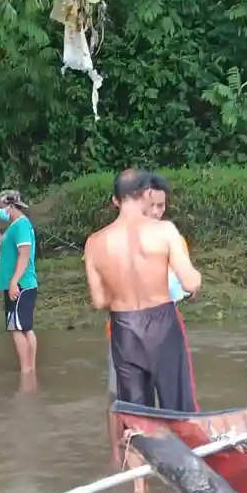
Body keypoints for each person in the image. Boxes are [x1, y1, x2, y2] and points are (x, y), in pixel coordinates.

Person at [85, 170, 202, 413]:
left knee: (137, 414)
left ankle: (138, 450)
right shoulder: (164, 231)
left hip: (123, 326)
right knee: (178, 407)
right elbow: (190, 283)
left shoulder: (95, 242)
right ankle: (183, 450)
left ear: (115, 200)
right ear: (146, 194)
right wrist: (196, 279)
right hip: (162, 323)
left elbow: (98, 300)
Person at [0, 189, 38, 375]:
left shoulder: (20, 225)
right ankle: (30, 369)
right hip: (20, 284)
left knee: (17, 328)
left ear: (10, 206)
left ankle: (26, 371)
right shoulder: (16, 226)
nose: (0, 212)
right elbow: (13, 247)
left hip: (20, 285)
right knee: (25, 327)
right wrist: (0, 242)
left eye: (2, 207)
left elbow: (24, 255)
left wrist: (14, 282)